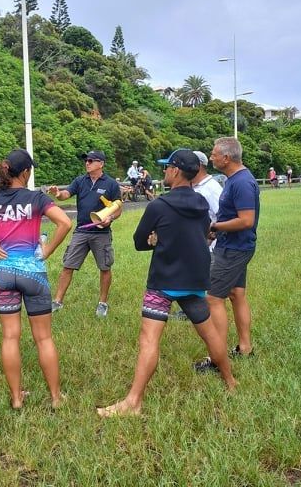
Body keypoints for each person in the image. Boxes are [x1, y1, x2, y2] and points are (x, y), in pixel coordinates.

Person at [97, 150, 236, 417]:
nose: (164, 172)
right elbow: (206, 233)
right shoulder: (200, 204)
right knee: (210, 335)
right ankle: (230, 382)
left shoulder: (159, 205)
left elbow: (139, 242)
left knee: (149, 339)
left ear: (175, 171)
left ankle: (133, 402)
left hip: (163, 280)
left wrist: (155, 239)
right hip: (195, 278)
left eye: (167, 168)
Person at [0, 149, 72, 409]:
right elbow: (64, 223)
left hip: (4, 272)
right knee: (43, 338)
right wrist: (48, 250)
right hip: (33, 274)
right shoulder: (36, 199)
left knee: (10, 337)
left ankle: (17, 398)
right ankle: (55, 398)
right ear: (26, 172)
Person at [195, 137, 260, 372]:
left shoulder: (241, 182)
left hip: (233, 249)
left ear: (226, 157)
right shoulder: (235, 179)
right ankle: (245, 348)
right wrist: (217, 231)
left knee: (213, 298)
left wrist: (215, 227)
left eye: (213, 154)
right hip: (234, 245)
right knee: (236, 294)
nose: (210, 157)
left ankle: (217, 357)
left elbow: (246, 220)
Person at [47, 150, 122, 317]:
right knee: (68, 266)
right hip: (81, 230)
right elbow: (66, 194)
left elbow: (118, 209)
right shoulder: (80, 181)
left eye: (91, 160)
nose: (87, 163)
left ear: (101, 164)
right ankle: (57, 301)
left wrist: (110, 218)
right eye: (86, 160)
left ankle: (102, 303)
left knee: (104, 267)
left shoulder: (110, 184)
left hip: (101, 233)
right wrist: (57, 193)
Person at [172, 150, 223, 322]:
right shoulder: (194, 187)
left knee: (205, 281)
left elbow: (221, 216)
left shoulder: (211, 188)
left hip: (208, 245)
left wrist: (209, 238)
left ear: (199, 166)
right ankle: (189, 311)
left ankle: (201, 314)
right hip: (194, 244)